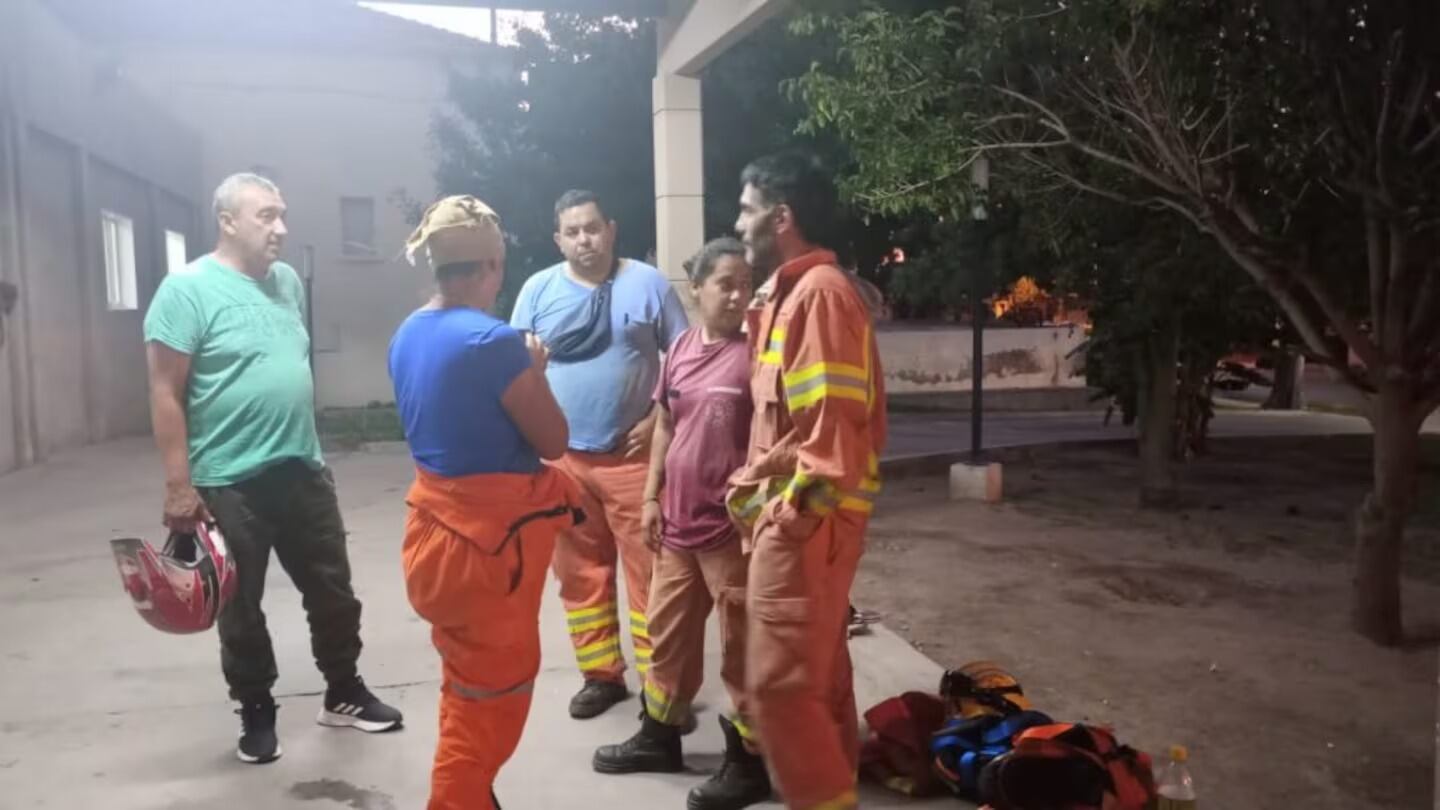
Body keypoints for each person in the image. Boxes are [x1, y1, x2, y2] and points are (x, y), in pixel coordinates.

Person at [143, 173, 402, 766]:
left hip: (301, 467)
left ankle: (344, 692)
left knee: (333, 590)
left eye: (282, 214)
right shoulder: (186, 290)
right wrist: (179, 485)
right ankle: (256, 710)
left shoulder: (285, 282)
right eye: (266, 216)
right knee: (241, 606)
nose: (280, 228)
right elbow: (164, 391)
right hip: (229, 481)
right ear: (228, 221)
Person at [389, 195, 582, 810]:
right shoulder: (493, 343)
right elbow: (554, 440)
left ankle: (474, 799)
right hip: (487, 553)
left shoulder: (409, 332)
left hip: (432, 541)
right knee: (490, 711)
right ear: (492, 265)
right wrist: (536, 370)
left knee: (466, 691)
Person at [727, 152, 888, 810]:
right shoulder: (792, 296)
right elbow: (795, 431)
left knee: (780, 689)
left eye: (746, 209)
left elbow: (832, 447)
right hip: (803, 523)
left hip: (806, 526)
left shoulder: (819, 296)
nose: (737, 225)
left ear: (781, 217)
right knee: (816, 679)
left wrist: (784, 527)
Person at [591, 237, 772, 810]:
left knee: (743, 648)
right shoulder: (681, 350)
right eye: (726, 284)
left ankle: (749, 763)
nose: (739, 295)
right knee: (666, 637)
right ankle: (659, 736)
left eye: (746, 284)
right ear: (696, 289)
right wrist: (650, 498)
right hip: (676, 525)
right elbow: (665, 425)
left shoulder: (758, 356)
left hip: (731, 532)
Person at [510, 190, 689, 719]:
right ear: (558, 239)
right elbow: (519, 371)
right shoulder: (538, 290)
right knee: (580, 573)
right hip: (564, 463)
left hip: (635, 459)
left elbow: (683, 362)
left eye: (592, 227)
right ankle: (602, 676)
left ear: (610, 229)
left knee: (651, 577)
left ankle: (663, 688)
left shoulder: (649, 284)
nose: (584, 239)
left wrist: (661, 418)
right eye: (573, 231)